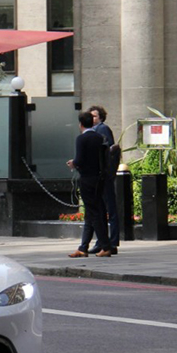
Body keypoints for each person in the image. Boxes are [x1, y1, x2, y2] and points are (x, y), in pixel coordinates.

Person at [66, 111, 112, 258]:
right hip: (99, 178)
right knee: (93, 211)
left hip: (87, 179)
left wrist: (73, 164)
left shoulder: (81, 139)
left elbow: (79, 160)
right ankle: (83, 247)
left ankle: (105, 246)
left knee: (93, 213)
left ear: (80, 124)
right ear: (92, 123)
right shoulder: (100, 138)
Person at [88, 105, 121, 254]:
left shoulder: (102, 129)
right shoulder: (94, 131)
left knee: (109, 209)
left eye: (95, 116)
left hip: (104, 176)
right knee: (101, 209)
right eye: (91, 116)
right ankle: (104, 241)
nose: (92, 118)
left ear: (100, 117)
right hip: (101, 176)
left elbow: (106, 153)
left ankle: (110, 242)